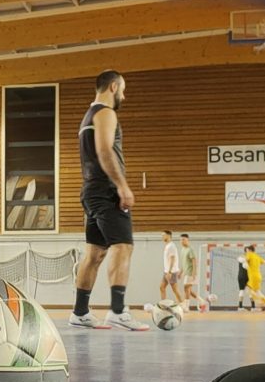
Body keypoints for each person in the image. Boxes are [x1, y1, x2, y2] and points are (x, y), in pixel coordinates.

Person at [69, 70, 149, 331]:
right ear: (113, 87)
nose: (124, 96)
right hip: (105, 190)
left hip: (91, 190)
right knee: (122, 246)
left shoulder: (87, 117)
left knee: (94, 252)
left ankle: (80, 312)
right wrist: (122, 186)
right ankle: (117, 311)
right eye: (123, 90)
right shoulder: (105, 112)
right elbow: (104, 151)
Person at [243, 244, 265, 313]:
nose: (246, 252)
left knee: (250, 291)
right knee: (257, 292)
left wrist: (243, 261)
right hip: (258, 276)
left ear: (249, 250)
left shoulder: (249, 254)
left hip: (253, 277)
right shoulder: (257, 256)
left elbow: (245, 259)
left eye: (247, 251)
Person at [179, 234, 206, 312]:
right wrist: (181, 272)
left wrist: (194, 273)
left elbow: (194, 261)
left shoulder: (190, 250)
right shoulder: (182, 250)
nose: (182, 241)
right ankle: (202, 301)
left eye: (183, 239)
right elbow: (184, 263)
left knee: (186, 287)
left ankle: (186, 307)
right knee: (189, 290)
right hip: (186, 272)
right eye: (181, 240)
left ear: (187, 240)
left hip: (191, 272)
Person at [160, 231, 184, 305]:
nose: (162, 237)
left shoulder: (171, 246)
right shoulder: (167, 246)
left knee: (175, 290)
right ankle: (164, 304)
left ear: (168, 236)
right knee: (162, 287)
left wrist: (170, 272)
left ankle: (183, 305)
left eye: (163, 235)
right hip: (166, 271)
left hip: (171, 272)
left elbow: (173, 259)